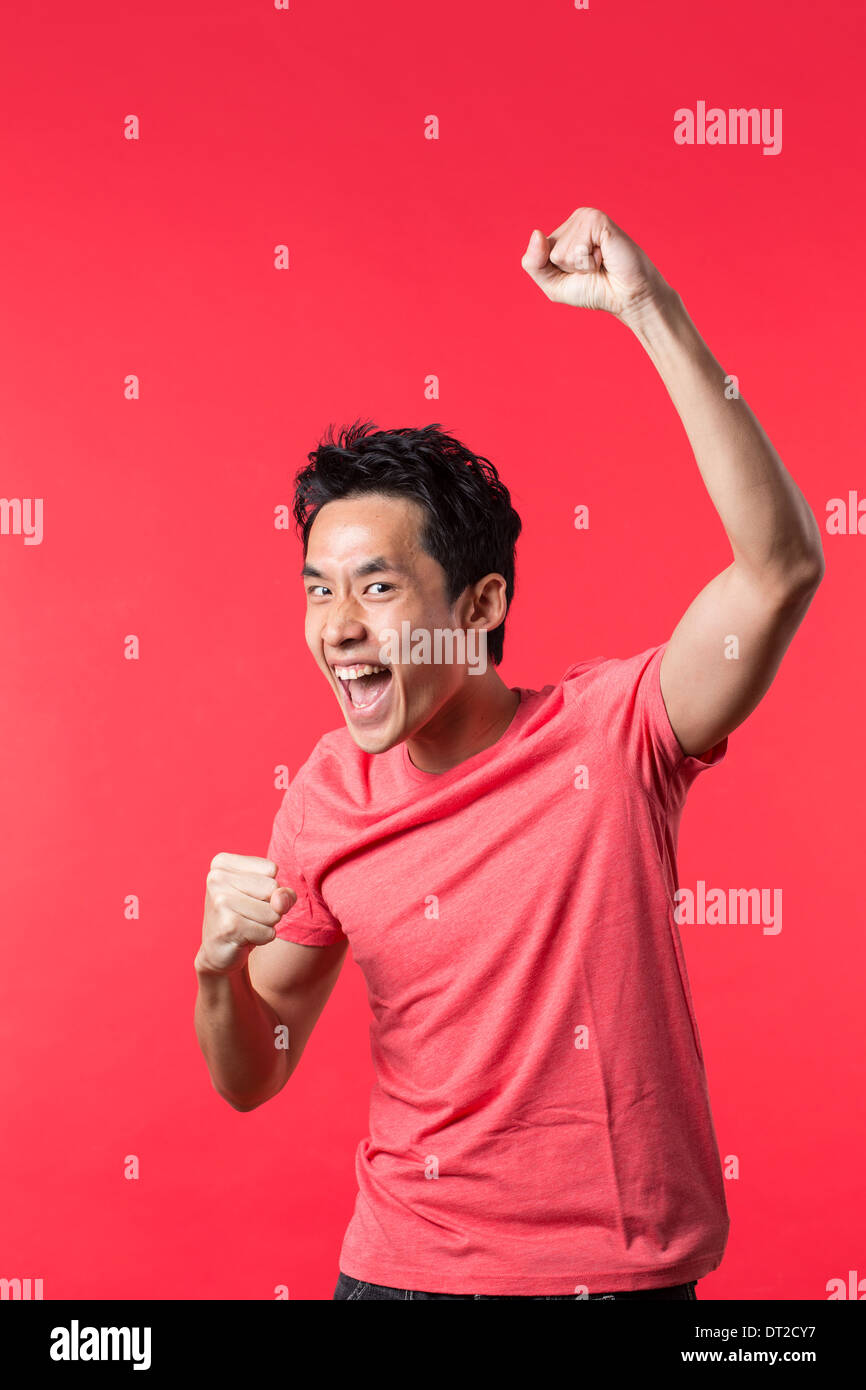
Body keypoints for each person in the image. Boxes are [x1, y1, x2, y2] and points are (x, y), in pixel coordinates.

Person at [193, 207, 824, 1300]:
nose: (336, 626)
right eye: (317, 589)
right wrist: (212, 973)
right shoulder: (326, 795)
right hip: (395, 1277)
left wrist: (645, 307)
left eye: (377, 587)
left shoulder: (614, 731)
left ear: (478, 604)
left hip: (618, 1279)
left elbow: (776, 571)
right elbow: (256, 1070)